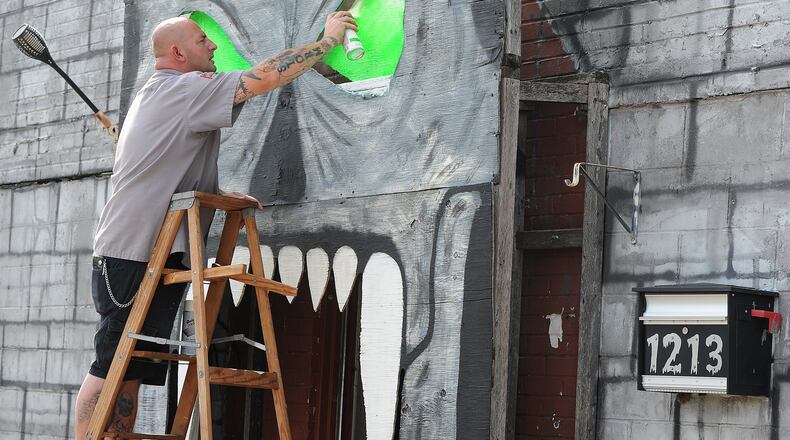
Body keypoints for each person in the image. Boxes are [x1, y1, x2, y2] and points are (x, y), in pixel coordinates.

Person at [74, 11, 357, 438]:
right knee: (112, 364)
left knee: (129, 369)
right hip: (132, 253)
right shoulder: (182, 89)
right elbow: (262, 78)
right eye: (203, 39)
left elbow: (176, 165)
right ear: (178, 53)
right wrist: (327, 41)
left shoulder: (168, 93)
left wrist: (219, 195)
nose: (213, 46)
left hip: (148, 251)